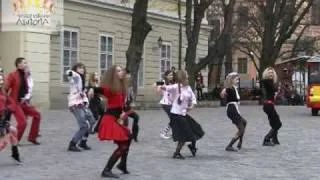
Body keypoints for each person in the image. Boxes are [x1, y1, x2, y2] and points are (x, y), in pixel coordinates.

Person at [94, 65, 131, 178]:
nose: (121, 72)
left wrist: (125, 112)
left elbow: (122, 106)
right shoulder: (110, 88)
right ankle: (106, 170)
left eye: (121, 70)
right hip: (109, 120)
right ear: (113, 74)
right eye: (118, 71)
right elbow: (99, 89)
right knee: (123, 145)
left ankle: (122, 165)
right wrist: (91, 89)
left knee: (128, 138)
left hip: (116, 119)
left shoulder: (120, 87)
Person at [161, 70, 204, 159]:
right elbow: (166, 88)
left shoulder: (188, 88)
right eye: (186, 75)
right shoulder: (176, 87)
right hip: (176, 114)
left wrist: (191, 106)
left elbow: (193, 99)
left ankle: (192, 146)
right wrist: (160, 85)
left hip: (183, 114)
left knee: (196, 128)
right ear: (182, 77)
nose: (188, 76)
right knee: (184, 134)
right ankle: (176, 153)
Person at [5, 57, 41, 145]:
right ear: (19, 64)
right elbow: (5, 88)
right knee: (23, 122)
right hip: (15, 103)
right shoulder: (12, 75)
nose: (26, 64)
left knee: (37, 115)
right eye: (24, 63)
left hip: (24, 102)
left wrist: (27, 97)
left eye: (26, 63)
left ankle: (32, 137)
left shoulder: (26, 75)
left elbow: (28, 87)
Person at [66, 63, 96, 152]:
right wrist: (70, 73)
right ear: (76, 69)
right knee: (84, 126)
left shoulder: (81, 80)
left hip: (82, 104)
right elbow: (70, 73)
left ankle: (83, 142)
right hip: (75, 105)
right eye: (80, 68)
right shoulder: (76, 77)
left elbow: (83, 92)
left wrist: (86, 99)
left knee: (92, 120)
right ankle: (72, 144)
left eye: (83, 68)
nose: (82, 69)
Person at [220, 72, 247, 151]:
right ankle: (229, 146)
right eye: (236, 79)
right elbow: (224, 91)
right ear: (231, 80)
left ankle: (240, 142)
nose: (238, 81)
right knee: (241, 129)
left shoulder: (234, 88)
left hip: (234, 109)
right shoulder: (230, 88)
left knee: (244, 122)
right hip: (232, 110)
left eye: (238, 79)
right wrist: (224, 91)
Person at [0, 73, 21, 163]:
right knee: (3, 143)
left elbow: (10, 101)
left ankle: (15, 154)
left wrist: (11, 107)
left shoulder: (3, 91)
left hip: (3, 119)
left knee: (14, 131)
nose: (4, 81)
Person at [260, 67, 282, 146]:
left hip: (269, 105)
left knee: (273, 122)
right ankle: (267, 138)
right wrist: (276, 90)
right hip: (268, 105)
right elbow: (267, 90)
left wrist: (276, 92)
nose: (271, 74)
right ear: (266, 74)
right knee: (278, 123)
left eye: (272, 73)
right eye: (269, 73)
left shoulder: (270, 82)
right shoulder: (267, 81)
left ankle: (274, 139)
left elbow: (271, 93)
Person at [157, 70, 175, 140]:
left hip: (171, 103)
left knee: (174, 118)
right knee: (174, 118)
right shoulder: (163, 81)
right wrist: (159, 87)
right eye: (170, 75)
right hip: (165, 103)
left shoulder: (172, 83)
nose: (172, 76)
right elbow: (157, 89)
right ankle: (164, 133)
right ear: (166, 76)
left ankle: (173, 134)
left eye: (172, 75)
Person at [123, 69, 140, 142]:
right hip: (121, 107)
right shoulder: (120, 84)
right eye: (127, 74)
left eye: (129, 75)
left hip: (127, 106)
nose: (129, 76)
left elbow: (130, 96)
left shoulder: (129, 84)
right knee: (125, 121)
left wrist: (132, 101)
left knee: (136, 117)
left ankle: (134, 135)